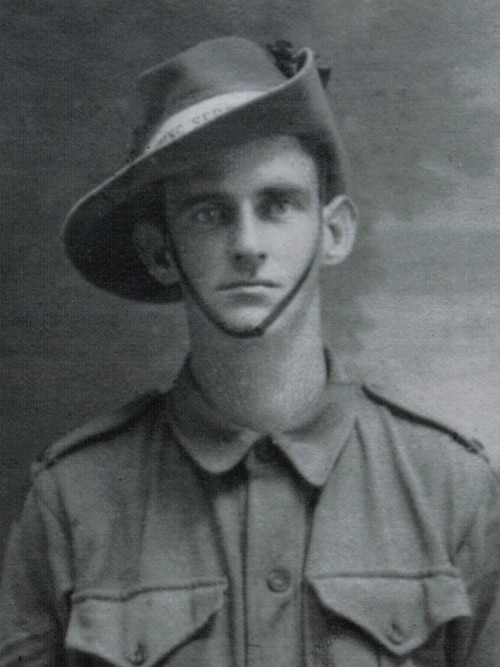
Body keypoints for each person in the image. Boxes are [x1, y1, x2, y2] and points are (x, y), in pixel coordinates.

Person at [0, 36, 499, 667]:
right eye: (209, 213)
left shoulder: (449, 488)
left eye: (278, 205)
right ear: (162, 253)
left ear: (333, 232)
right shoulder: (76, 498)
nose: (247, 243)